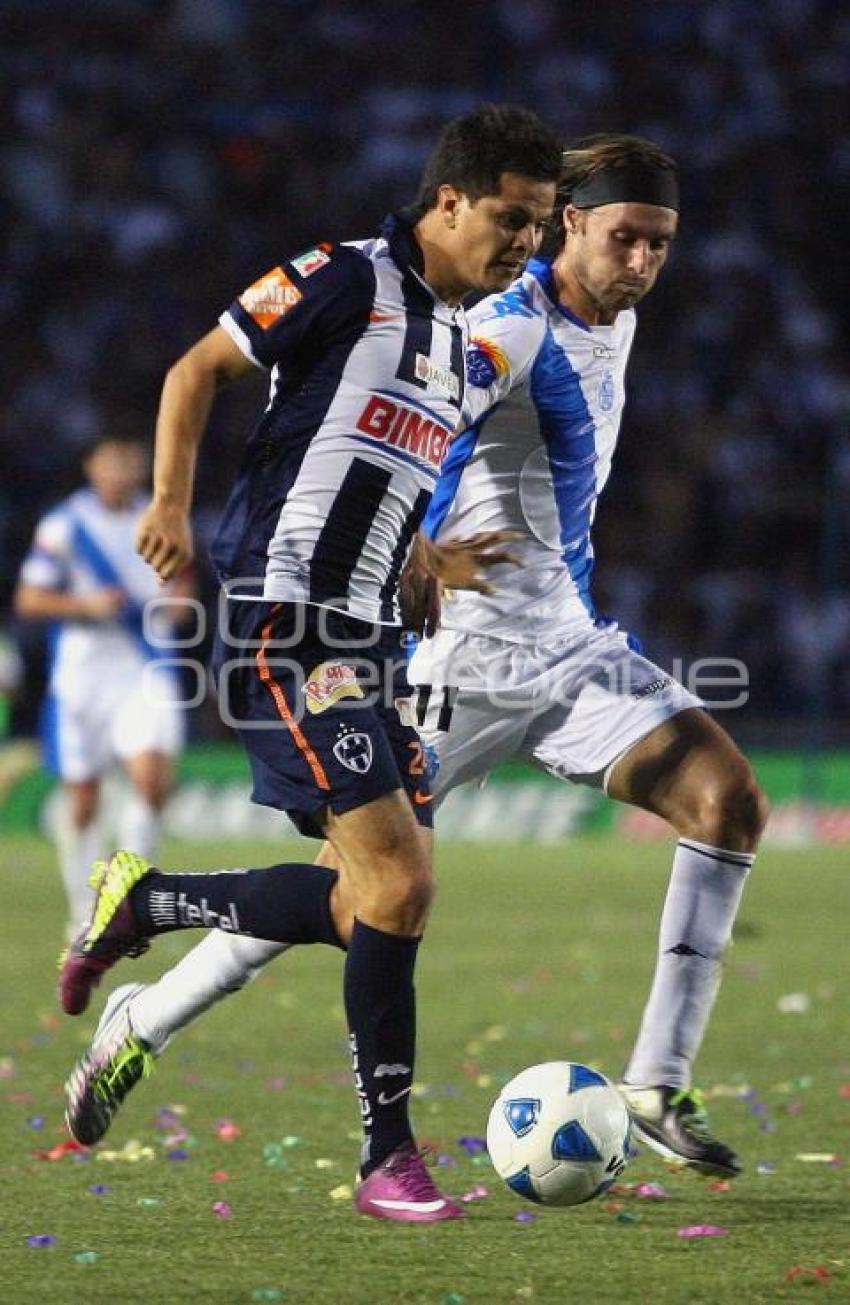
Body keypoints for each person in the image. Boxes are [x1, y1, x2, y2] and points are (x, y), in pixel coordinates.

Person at [64, 134, 767, 1182]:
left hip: (568, 651)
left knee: (727, 801)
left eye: (659, 244)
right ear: (570, 227)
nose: (642, 263)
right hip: (459, 661)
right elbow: (419, 425)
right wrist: (418, 548)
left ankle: (653, 1084)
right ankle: (141, 1022)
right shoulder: (505, 329)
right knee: (362, 897)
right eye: (623, 238)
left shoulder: (607, 323)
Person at [58, 103, 563, 1224]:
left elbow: (367, 466)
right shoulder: (345, 276)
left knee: (372, 902)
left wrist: (421, 553)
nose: (527, 243)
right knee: (402, 884)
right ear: (449, 200)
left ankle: (150, 900)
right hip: (285, 623)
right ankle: (387, 1155)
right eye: (513, 219)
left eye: (541, 225)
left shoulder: (453, 345)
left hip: (372, 637)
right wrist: (171, 506)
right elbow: (198, 370)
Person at [14, 435, 187, 939]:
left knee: (153, 782)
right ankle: (83, 912)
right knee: (84, 798)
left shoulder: (158, 518)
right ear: (91, 465)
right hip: (83, 680)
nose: (121, 471)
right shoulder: (65, 526)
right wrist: (85, 607)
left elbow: (181, 581)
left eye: (131, 461)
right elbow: (29, 598)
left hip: (146, 671)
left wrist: (177, 605)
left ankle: (128, 900)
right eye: (112, 461)